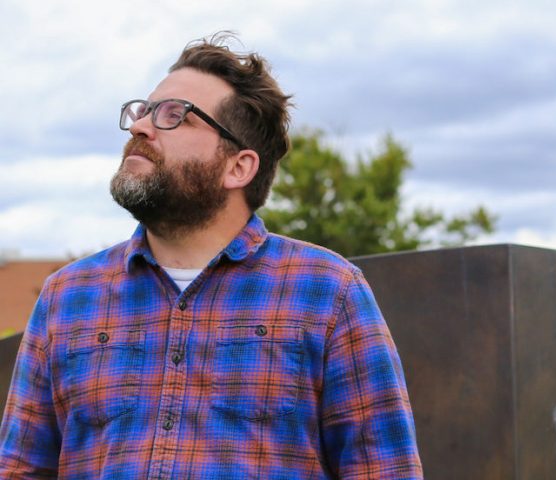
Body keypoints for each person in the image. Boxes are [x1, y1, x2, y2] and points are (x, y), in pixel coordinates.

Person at [0, 33, 423, 479]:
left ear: (238, 167)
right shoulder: (68, 296)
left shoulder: (328, 291)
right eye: (143, 111)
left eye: (174, 116)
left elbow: (384, 470)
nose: (140, 127)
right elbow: (19, 469)